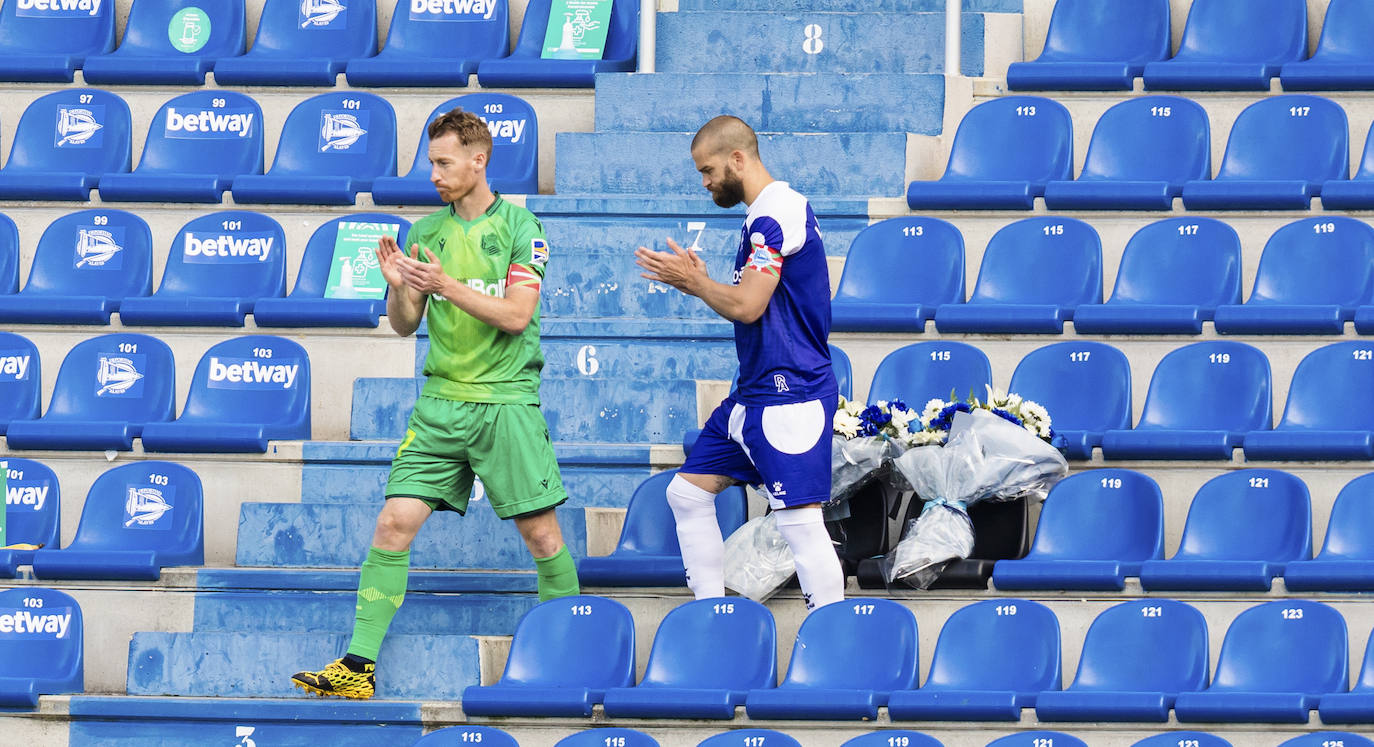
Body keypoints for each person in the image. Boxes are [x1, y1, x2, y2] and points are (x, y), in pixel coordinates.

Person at [292, 109, 579, 699]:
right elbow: (405, 326)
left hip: (505, 403)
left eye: (444, 162)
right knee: (394, 522)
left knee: (543, 539)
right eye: (431, 162)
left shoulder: (524, 228)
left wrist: (447, 285)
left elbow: (517, 315)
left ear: (480, 160)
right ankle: (357, 667)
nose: (434, 173)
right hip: (440, 404)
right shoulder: (424, 233)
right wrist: (400, 289)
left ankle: (571, 657)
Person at [634, 115, 844, 612]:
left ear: (737, 159)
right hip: (753, 394)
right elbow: (753, 302)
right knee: (686, 494)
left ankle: (835, 637)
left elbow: (748, 305)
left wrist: (695, 284)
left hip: (790, 395)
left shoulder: (775, 216)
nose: (705, 183)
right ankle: (710, 617)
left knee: (800, 523)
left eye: (707, 171)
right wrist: (708, 284)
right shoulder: (764, 216)